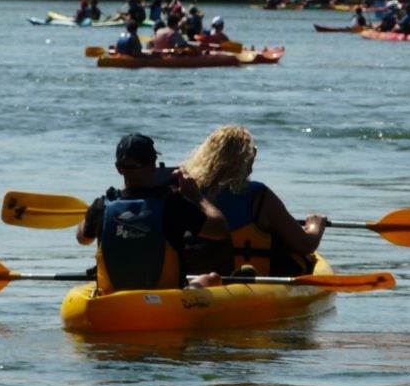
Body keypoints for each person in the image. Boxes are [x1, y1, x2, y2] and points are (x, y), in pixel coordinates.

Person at [76, 133, 230, 293]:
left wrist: (91, 213)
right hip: (163, 300)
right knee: (212, 278)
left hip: (114, 300)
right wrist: (196, 195)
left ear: (118, 168)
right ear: (153, 166)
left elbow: (83, 238)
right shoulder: (172, 204)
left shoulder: (102, 206)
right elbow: (220, 230)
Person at [183, 125, 327, 278]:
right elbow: (305, 245)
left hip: (198, 280)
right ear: (246, 161)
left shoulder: (187, 192)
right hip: (255, 285)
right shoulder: (259, 196)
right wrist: (315, 226)